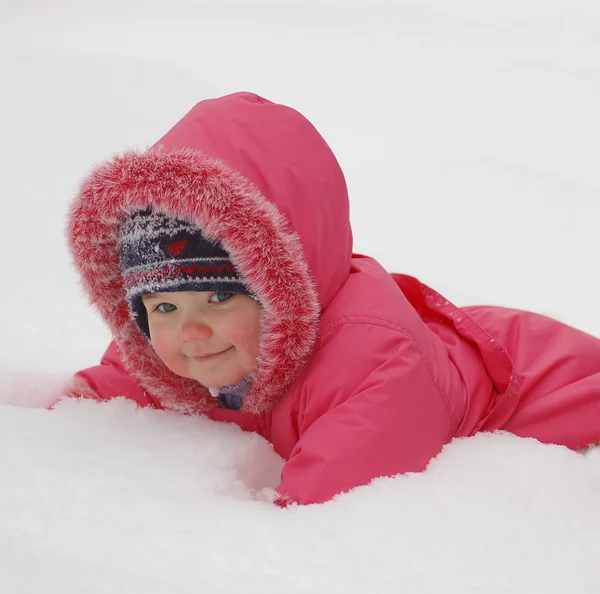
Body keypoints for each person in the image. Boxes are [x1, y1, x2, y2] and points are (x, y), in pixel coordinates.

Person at [65, 91, 600, 505]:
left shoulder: (374, 369)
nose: (191, 331)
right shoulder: (171, 352)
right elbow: (113, 390)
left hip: (553, 385)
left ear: (281, 288)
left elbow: (324, 520)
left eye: (220, 298)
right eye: (163, 307)